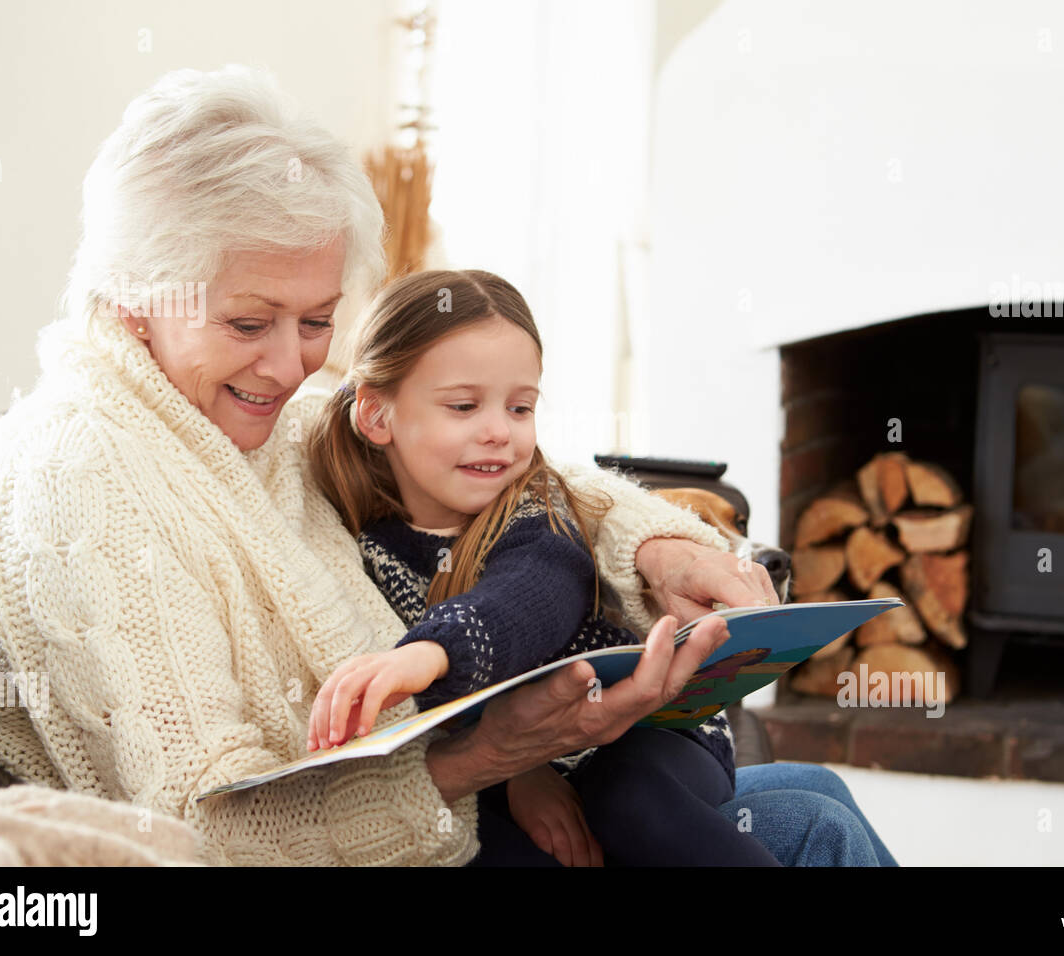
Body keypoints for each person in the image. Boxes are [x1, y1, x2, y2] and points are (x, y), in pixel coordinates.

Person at [0, 64, 895, 867]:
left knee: (816, 795)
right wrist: (487, 758)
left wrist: (654, 550)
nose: (291, 365)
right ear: (134, 292)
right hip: (399, 843)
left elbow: (514, 478)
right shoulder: (79, 483)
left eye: (318, 321)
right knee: (811, 826)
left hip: (460, 815)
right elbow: (205, 830)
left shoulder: (256, 414)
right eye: (247, 323)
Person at [303, 268, 780, 866]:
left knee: (626, 796)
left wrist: (426, 654)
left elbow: (533, 595)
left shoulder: (540, 511)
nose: (499, 432)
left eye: (520, 407)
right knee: (479, 844)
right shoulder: (354, 545)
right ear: (376, 417)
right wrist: (518, 776)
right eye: (463, 406)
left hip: (649, 735)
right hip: (511, 763)